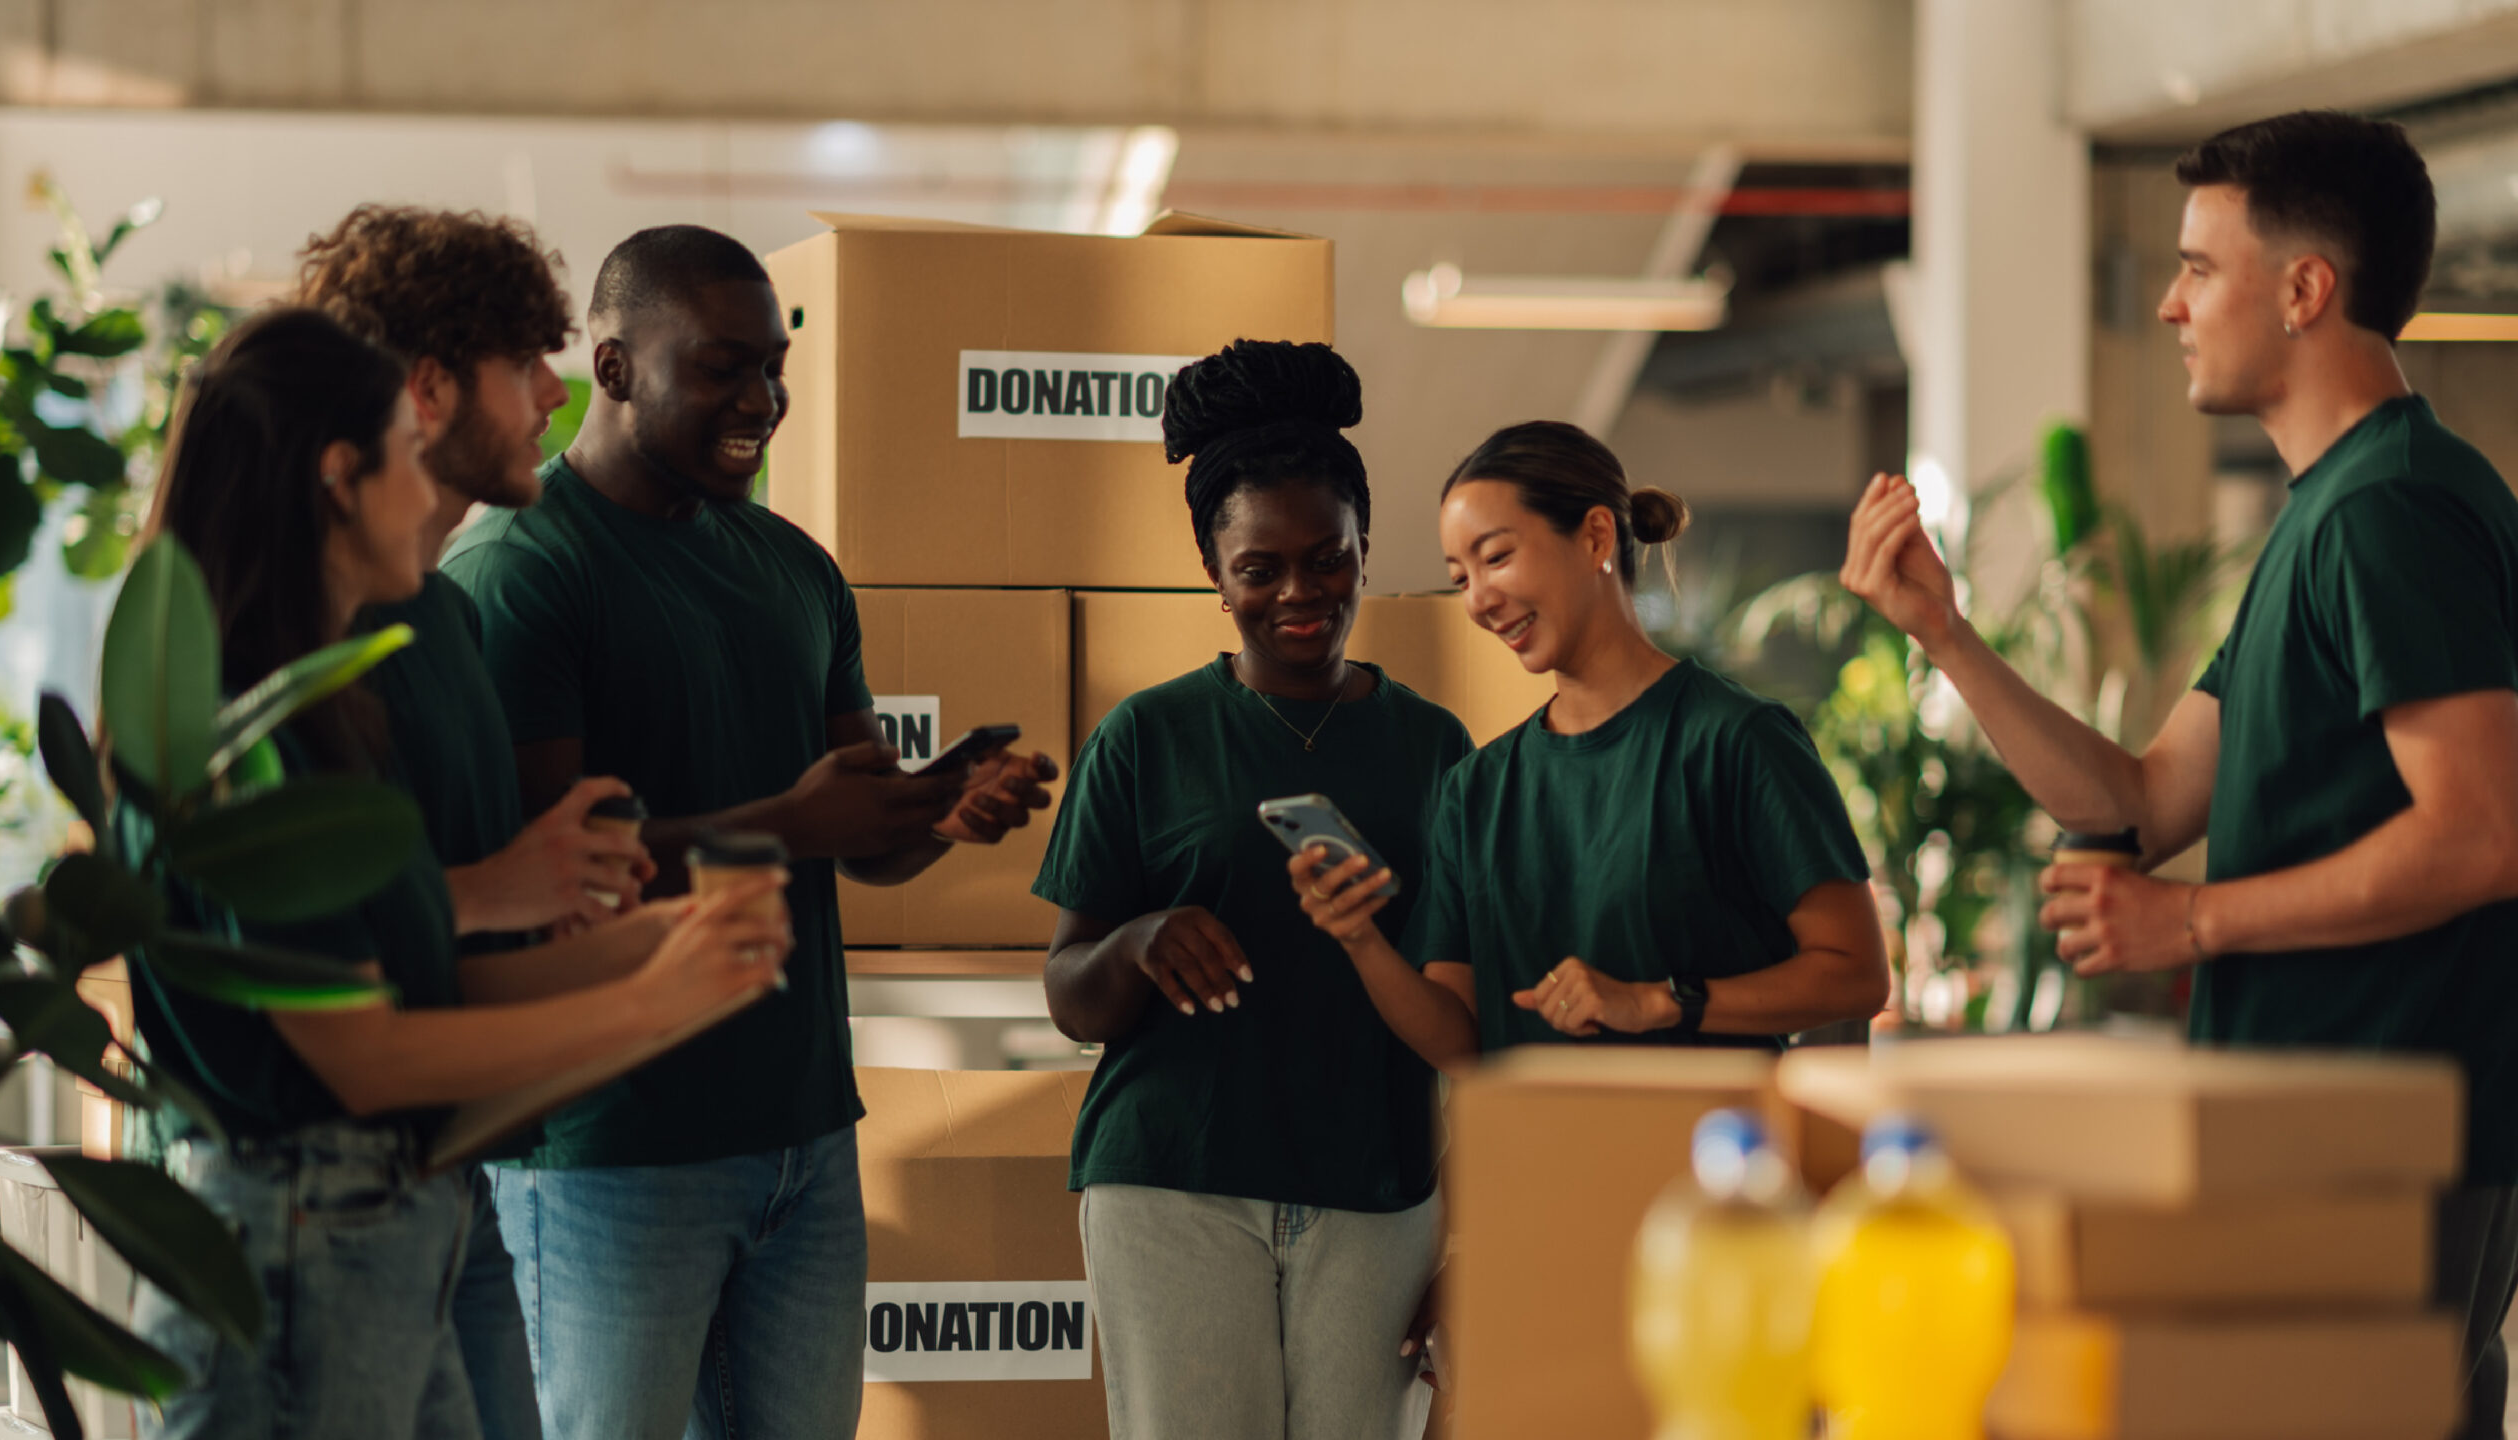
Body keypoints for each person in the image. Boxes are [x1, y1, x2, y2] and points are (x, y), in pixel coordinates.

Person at [1840, 110, 2518, 1438]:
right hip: (2313, 1129)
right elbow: (2140, 805)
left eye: (2200, 267)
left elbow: (2482, 833)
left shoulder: (2393, 509)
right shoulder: (2325, 514)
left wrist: (2194, 920)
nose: (2168, 303)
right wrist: (1944, 632)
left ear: (2306, 290)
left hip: (2391, 1130)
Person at [124, 307, 789, 1440]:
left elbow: (411, 995)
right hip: (295, 1242)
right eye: (403, 449)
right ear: (343, 477)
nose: (429, 482)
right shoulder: (249, 737)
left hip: (379, 1229)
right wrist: (647, 999)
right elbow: (371, 1056)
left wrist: (661, 950)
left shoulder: (332, 707)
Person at [442, 224, 1057, 1440]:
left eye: (774, 367)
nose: (763, 400)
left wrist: (939, 807)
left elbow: (855, 839)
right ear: (611, 370)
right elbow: (546, 882)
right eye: (723, 367)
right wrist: (790, 821)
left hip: (804, 1136)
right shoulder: (522, 571)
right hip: (610, 1147)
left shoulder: (797, 572)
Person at [1035, 340, 1470, 1440]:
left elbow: (1476, 1006)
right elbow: (1069, 994)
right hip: (1174, 1181)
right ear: (1211, 571)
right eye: (1258, 569)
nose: (1298, 595)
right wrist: (1137, 943)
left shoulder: (1434, 747)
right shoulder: (1146, 735)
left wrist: (1470, 1236)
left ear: (1366, 549)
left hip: (1377, 1191)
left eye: (1327, 560)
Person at [298, 202, 655, 1440]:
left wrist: (599, 916)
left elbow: (466, 920)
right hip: (320, 1202)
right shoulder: (300, 635)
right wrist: (503, 893)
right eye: (526, 366)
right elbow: (282, 937)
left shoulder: (445, 617)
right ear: (431, 387)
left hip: (457, 1188)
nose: (555, 398)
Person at [1297, 421, 1889, 1066]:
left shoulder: (1736, 740)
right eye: (1461, 577)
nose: (1479, 601)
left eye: (1495, 557)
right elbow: (1461, 1040)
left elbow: (1857, 975)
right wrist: (1359, 938)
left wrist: (1659, 1000)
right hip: (1533, 1160)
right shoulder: (1478, 788)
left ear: (1596, 536)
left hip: (1708, 1159)